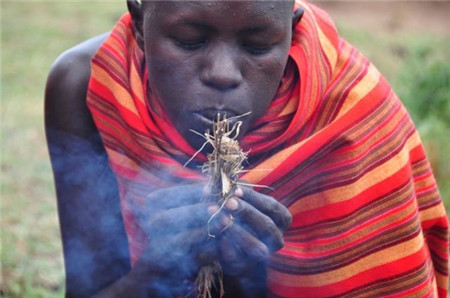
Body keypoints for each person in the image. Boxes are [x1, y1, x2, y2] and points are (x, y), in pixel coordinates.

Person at [44, 0, 449, 297]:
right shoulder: (91, 88)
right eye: (188, 40)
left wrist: (250, 275)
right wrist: (160, 268)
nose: (222, 74)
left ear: (291, 30)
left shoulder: (347, 116)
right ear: (138, 22)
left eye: (257, 47)